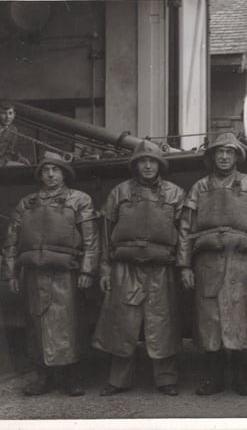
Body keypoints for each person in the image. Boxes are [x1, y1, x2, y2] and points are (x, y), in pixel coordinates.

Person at [178, 133, 247, 396]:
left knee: (242, 316)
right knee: (210, 318)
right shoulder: (199, 187)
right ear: (211, 157)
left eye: (229, 152)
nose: (224, 157)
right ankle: (214, 378)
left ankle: (242, 377)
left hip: (242, 260)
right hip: (207, 261)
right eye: (219, 152)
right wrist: (184, 266)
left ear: (237, 157)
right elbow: (185, 228)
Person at [1, 151, 99, 396]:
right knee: (36, 324)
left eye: (56, 170)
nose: (51, 175)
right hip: (33, 273)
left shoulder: (79, 200)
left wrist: (87, 269)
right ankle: (41, 376)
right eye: (46, 170)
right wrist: (11, 274)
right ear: (40, 175)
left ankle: (71, 377)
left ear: (65, 173)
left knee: (70, 324)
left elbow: (91, 239)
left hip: (66, 273)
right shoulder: (27, 203)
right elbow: (11, 242)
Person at [93, 140, 185, 396]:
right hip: (125, 267)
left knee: (162, 321)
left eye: (152, 161)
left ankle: (166, 378)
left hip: (161, 268)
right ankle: (118, 380)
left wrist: (183, 266)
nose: (147, 165)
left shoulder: (175, 193)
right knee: (123, 323)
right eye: (143, 161)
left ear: (159, 164)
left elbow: (185, 233)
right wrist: (104, 268)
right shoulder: (119, 192)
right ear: (135, 165)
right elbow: (105, 233)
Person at [0, 99, 28, 165]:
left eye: (10, 113)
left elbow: (8, 152)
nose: (8, 117)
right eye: (3, 113)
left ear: (14, 114)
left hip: (2, 161)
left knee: (23, 166)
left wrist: (18, 158)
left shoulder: (13, 130)